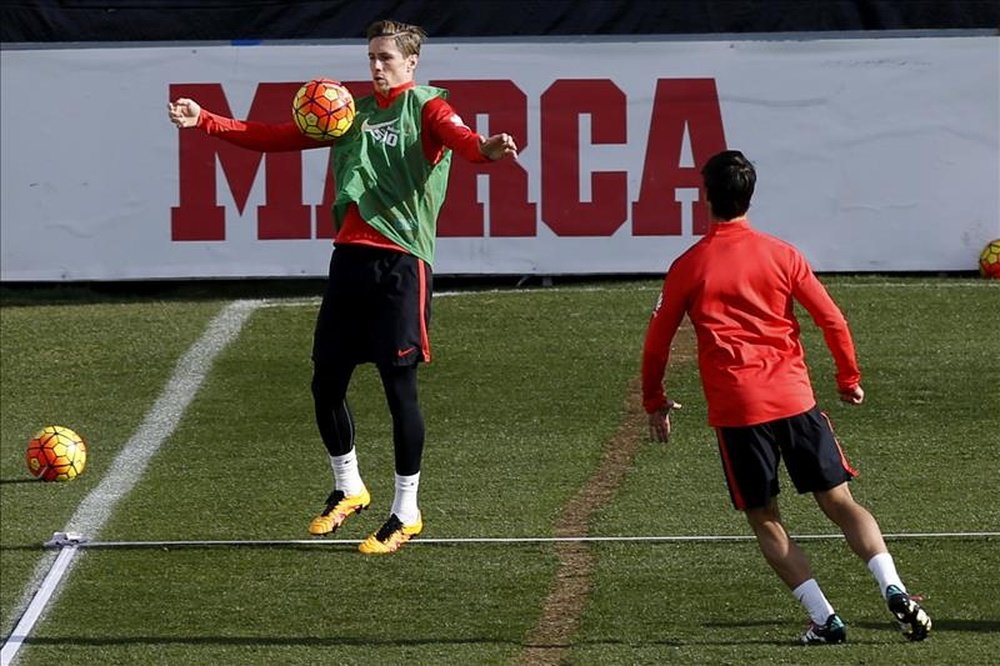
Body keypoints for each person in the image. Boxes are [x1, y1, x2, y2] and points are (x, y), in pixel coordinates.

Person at [168, 19, 518, 555]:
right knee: (325, 380)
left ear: (411, 62)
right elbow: (277, 138)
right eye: (372, 58)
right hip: (350, 258)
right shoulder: (346, 111)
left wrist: (489, 150)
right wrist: (206, 121)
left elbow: (464, 142)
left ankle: (406, 510)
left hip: (402, 263)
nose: (377, 66)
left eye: (386, 58)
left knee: (398, 388)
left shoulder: (426, 106)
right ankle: (349, 485)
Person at [640, 150, 932, 643]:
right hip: (795, 399)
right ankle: (893, 587)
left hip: (738, 411)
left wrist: (655, 401)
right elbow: (832, 319)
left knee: (765, 517)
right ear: (750, 196)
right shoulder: (782, 253)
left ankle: (825, 617)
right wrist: (847, 378)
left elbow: (657, 342)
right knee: (840, 501)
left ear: (706, 195)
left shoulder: (689, 265)